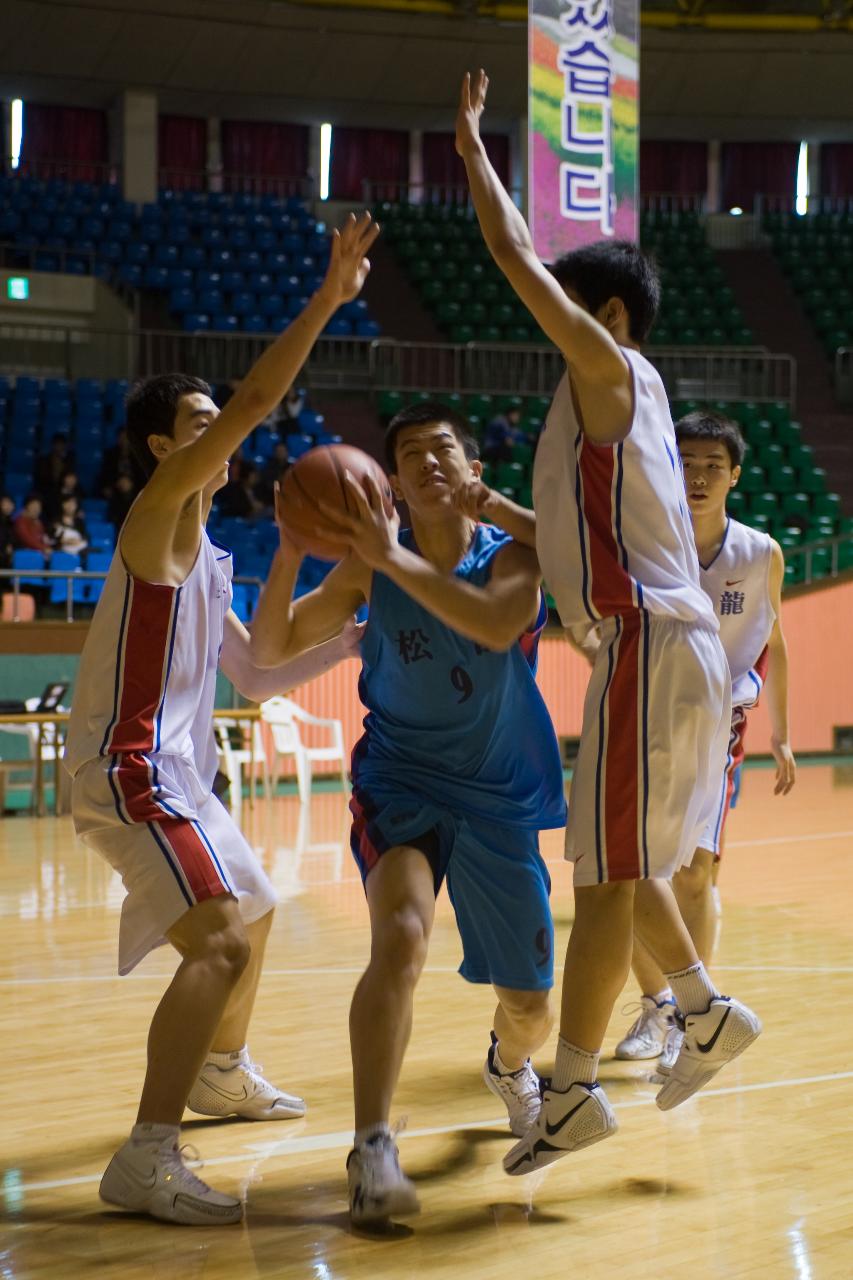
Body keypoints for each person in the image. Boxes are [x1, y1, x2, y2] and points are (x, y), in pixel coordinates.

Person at [455, 69, 761, 1176]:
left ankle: (574, 1086)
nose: (552, 317)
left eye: (571, 301)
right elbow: (572, 535)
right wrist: (485, 506)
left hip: (647, 644)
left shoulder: (606, 362)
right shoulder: (612, 405)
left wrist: (473, 152)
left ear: (611, 312)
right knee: (611, 864)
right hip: (645, 645)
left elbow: (510, 255)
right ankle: (705, 1010)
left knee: (601, 880)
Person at [62, 211, 380, 1227]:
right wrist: (327, 300)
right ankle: (146, 1156)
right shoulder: (156, 519)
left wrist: (362, 606)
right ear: (163, 448)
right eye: (200, 424)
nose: (225, 432)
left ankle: (221, 1070)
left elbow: (261, 670)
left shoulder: (207, 559)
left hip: (179, 775)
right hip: (130, 766)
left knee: (258, 909)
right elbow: (255, 399)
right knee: (221, 946)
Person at [249, 399, 567, 1224]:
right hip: (401, 778)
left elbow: (497, 627)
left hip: (497, 793)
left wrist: (388, 558)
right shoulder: (364, 564)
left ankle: (507, 1064)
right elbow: (270, 648)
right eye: (412, 454)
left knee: (531, 1006)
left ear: (473, 472)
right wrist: (290, 551)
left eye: (445, 449)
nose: (430, 460)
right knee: (400, 937)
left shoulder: (514, 556)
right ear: (388, 483)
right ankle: (371, 1147)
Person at [615, 410, 795, 1071]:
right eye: (684, 463)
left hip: (717, 731)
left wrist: (783, 735)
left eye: (711, 466)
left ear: (734, 476)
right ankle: (655, 1003)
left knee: (694, 874)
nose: (695, 476)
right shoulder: (641, 543)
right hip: (641, 722)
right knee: (637, 873)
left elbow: (773, 639)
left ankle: (695, 1018)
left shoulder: (759, 554)